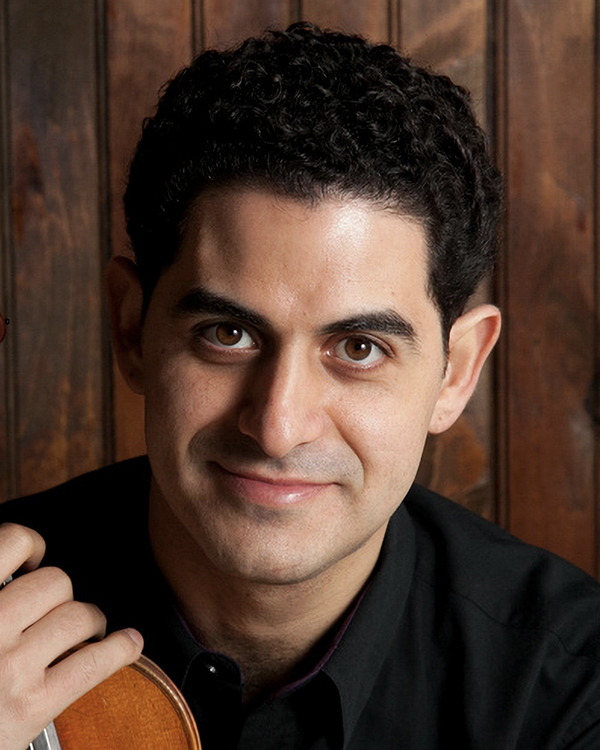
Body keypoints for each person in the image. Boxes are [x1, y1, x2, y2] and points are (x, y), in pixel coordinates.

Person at [0, 22, 599, 750]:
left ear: (457, 371)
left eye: (358, 347)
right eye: (228, 334)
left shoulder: (571, 688)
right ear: (132, 330)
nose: (278, 426)